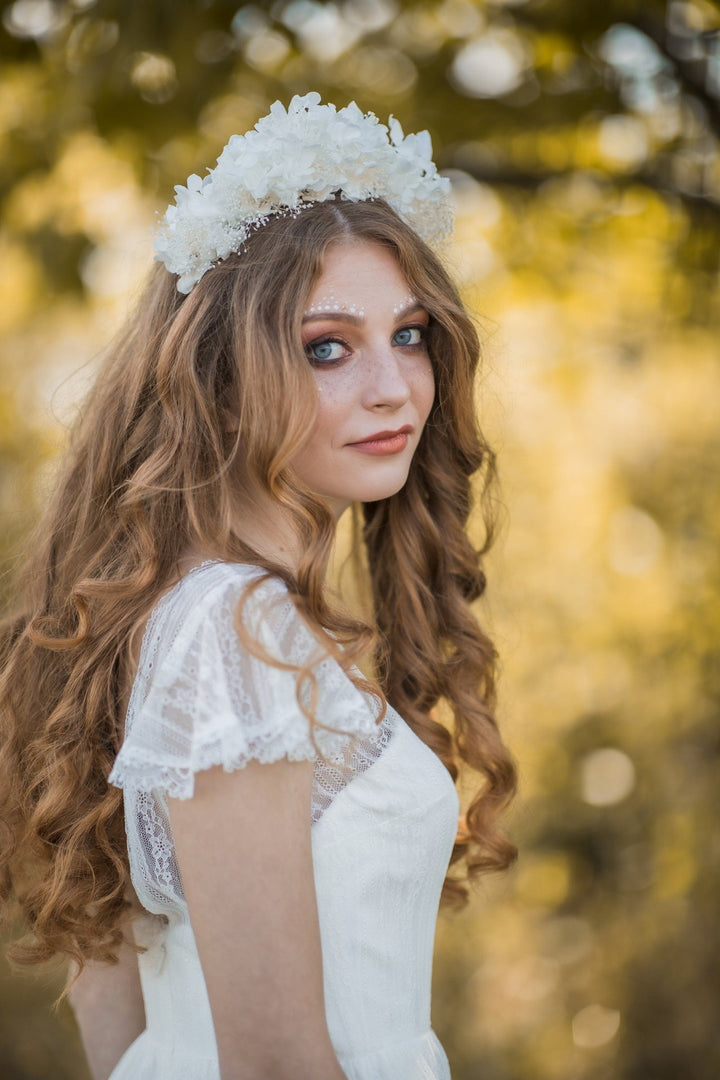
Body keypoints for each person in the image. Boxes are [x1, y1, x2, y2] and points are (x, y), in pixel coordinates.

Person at [0, 93, 517, 1080]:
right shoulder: (237, 630)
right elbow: (277, 1063)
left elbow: (117, 995)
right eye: (328, 347)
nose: (394, 387)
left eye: (410, 335)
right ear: (221, 379)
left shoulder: (187, 611)